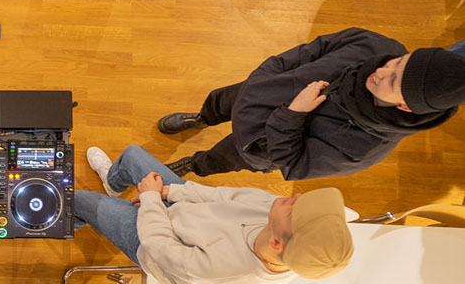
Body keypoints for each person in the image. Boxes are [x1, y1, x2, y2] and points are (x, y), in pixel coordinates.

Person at [156, 29, 465, 180]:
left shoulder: (364, 149)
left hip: (257, 144)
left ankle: (193, 165)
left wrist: (294, 114)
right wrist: (267, 75)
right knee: (220, 101)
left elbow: (294, 163)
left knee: (222, 158)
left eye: (393, 81)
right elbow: (314, 49)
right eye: (398, 63)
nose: (381, 71)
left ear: (406, 107)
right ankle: (202, 118)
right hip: (256, 91)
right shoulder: (378, 46)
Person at [79, 145, 354, 284]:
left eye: (296, 210)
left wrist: (151, 199)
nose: (296, 197)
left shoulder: (226, 276)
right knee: (133, 155)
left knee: (79, 201)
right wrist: (169, 192)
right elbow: (224, 196)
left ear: (276, 243)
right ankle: (112, 184)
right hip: (185, 212)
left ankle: (76, 219)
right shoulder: (279, 212)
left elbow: (160, 247)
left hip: (153, 245)